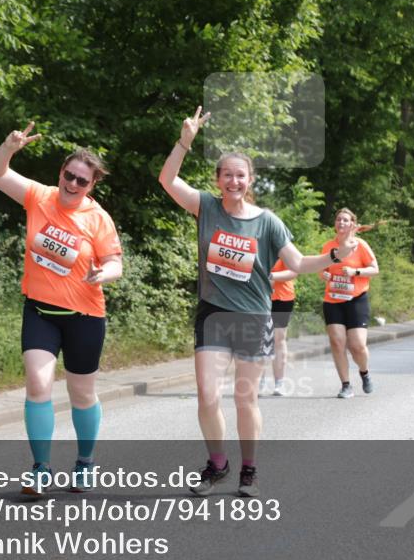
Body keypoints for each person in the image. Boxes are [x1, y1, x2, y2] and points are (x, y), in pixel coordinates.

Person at [159, 106, 357, 498]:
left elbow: (299, 263)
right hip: (213, 314)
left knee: (244, 398)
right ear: (218, 180)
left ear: (249, 181)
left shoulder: (267, 221)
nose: (234, 180)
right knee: (207, 395)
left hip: (253, 317)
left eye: (241, 175)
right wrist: (185, 141)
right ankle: (218, 464)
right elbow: (167, 180)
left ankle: (249, 469)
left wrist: (336, 255)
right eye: (227, 174)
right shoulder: (206, 206)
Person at [0, 122, 123, 496]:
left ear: (92, 186)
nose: (73, 184)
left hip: (85, 317)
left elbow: (116, 263)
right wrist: (8, 146)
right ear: (60, 173)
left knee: (81, 395)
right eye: (69, 176)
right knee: (38, 384)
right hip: (40, 311)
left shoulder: (97, 218)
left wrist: (102, 275)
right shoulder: (39, 196)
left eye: (82, 181)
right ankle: (41, 469)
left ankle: (84, 463)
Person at [320, 209, 380, 398]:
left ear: (353, 224)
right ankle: (346, 385)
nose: (341, 223)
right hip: (333, 299)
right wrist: (325, 275)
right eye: (338, 219)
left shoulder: (360, 245)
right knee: (337, 342)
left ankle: (364, 372)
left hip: (356, 299)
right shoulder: (328, 246)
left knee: (357, 345)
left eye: (345, 220)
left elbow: (374, 269)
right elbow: (321, 270)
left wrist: (356, 272)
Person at [266, 259, 298, 396]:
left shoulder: (283, 247)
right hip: (258, 297)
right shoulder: (252, 244)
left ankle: (279, 383)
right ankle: (258, 381)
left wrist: (272, 276)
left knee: (278, 339)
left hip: (282, 298)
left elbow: (293, 272)